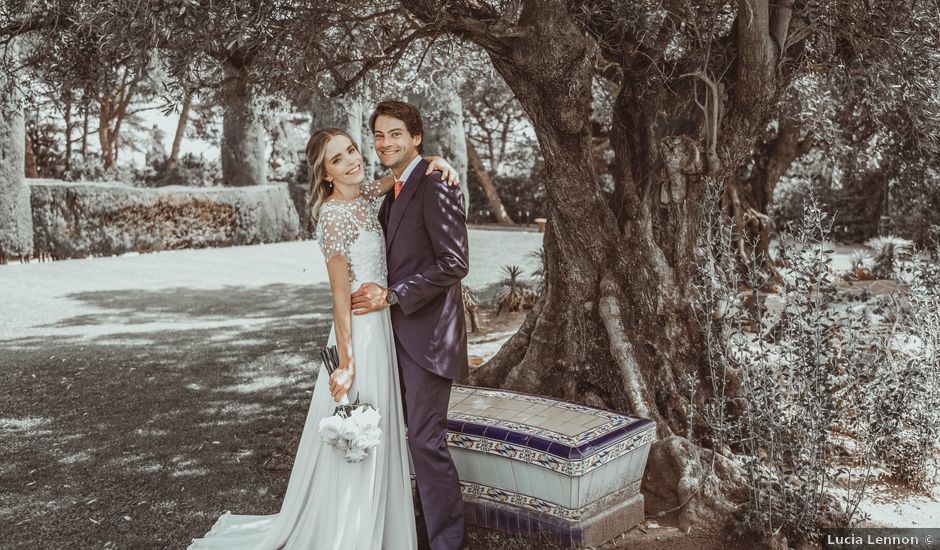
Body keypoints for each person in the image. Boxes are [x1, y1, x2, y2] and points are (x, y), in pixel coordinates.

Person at [187, 127, 460, 550]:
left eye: (352, 150)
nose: (352, 160)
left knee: (384, 429)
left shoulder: (368, 195)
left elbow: (405, 171)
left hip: (385, 328)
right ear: (326, 173)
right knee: (361, 428)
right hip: (360, 335)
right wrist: (346, 363)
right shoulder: (332, 216)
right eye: (338, 159)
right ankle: (351, 533)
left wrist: (438, 162)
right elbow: (339, 299)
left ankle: (385, 525)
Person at [351, 100, 470, 550]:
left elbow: (454, 263)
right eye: (379, 135)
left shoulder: (436, 182)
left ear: (416, 137)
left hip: (427, 338)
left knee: (425, 442)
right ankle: (409, 530)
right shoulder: (395, 186)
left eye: (396, 133)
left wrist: (395, 295)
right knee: (398, 442)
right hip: (388, 337)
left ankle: (447, 542)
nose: (385, 143)